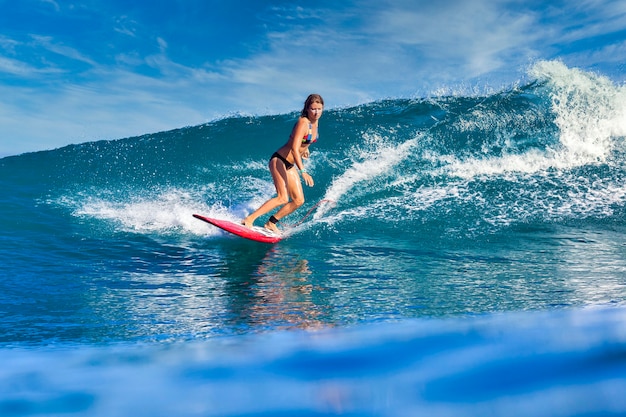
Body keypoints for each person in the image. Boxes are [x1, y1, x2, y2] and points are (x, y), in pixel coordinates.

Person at [243, 94, 324, 233]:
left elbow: (304, 142)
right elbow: (293, 147)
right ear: (307, 108)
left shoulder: (315, 123)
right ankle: (249, 219)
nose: (316, 112)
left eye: (319, 109)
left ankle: (271, 223)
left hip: (290, 165)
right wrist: (303, 171)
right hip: (279, 160)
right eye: (313, 109)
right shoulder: (303, 122)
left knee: (298, 200)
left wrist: (306, 149)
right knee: (282, 198)